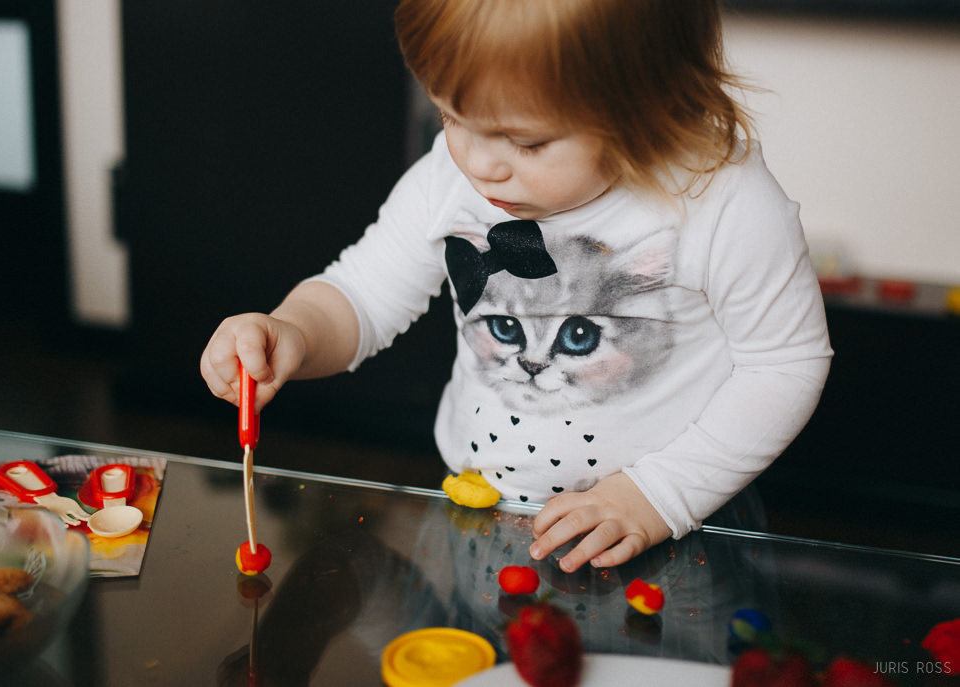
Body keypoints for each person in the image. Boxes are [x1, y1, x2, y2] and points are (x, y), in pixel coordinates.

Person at [200, 0, 832, 575]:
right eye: (450, 115)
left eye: (526, 141)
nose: (478, 163)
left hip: (674, 522)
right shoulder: (447, 180)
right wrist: (293, 330)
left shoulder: (720, 200)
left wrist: (658, 495)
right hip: (481, 519)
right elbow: (362, 295)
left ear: (652, 106)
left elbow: (784, 364)